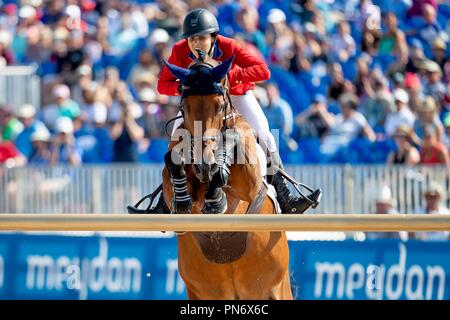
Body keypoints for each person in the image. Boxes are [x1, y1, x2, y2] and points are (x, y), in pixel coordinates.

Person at [129, 8, 321, 214]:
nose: (195, 44)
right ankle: (164, 202)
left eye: (201, 38)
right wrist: (182, 87)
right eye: (191, 39)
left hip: (237, 95)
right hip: (201, 103)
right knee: (175, 139)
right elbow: (162, 85)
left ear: (213, 37)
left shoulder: (229, 46)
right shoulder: (179, 50)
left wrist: (229, 75)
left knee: (265, 134)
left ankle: (285, 196)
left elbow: (263, 71)